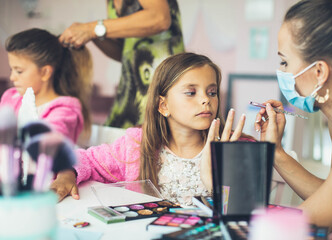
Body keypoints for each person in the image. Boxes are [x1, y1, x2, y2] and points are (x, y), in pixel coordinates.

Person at [50, 52, 254, 206]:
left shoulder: (235, 147)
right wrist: (67, 174)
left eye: (212, 92)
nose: (205, 100)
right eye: (191, 92)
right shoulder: (136, 145)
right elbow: (86, 160)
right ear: (163, 106)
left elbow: (248, 214)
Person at [255, 0, 332, 238]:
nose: (280, 72)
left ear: (319, 72)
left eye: (284, 62)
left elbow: (288, 231)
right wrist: (275, 151)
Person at [59, 0, 185, 128]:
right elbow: (124, 52)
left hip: (163, 86)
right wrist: (93, 36)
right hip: (130, 91)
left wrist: (92, 28)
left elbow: (160, 18)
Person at [0, 28, 92, 143]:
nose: (12, 77)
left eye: (19, 71)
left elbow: (46, 146)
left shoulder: (65, 112)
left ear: (45, 72)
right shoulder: (11, 98)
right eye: (11, 69)